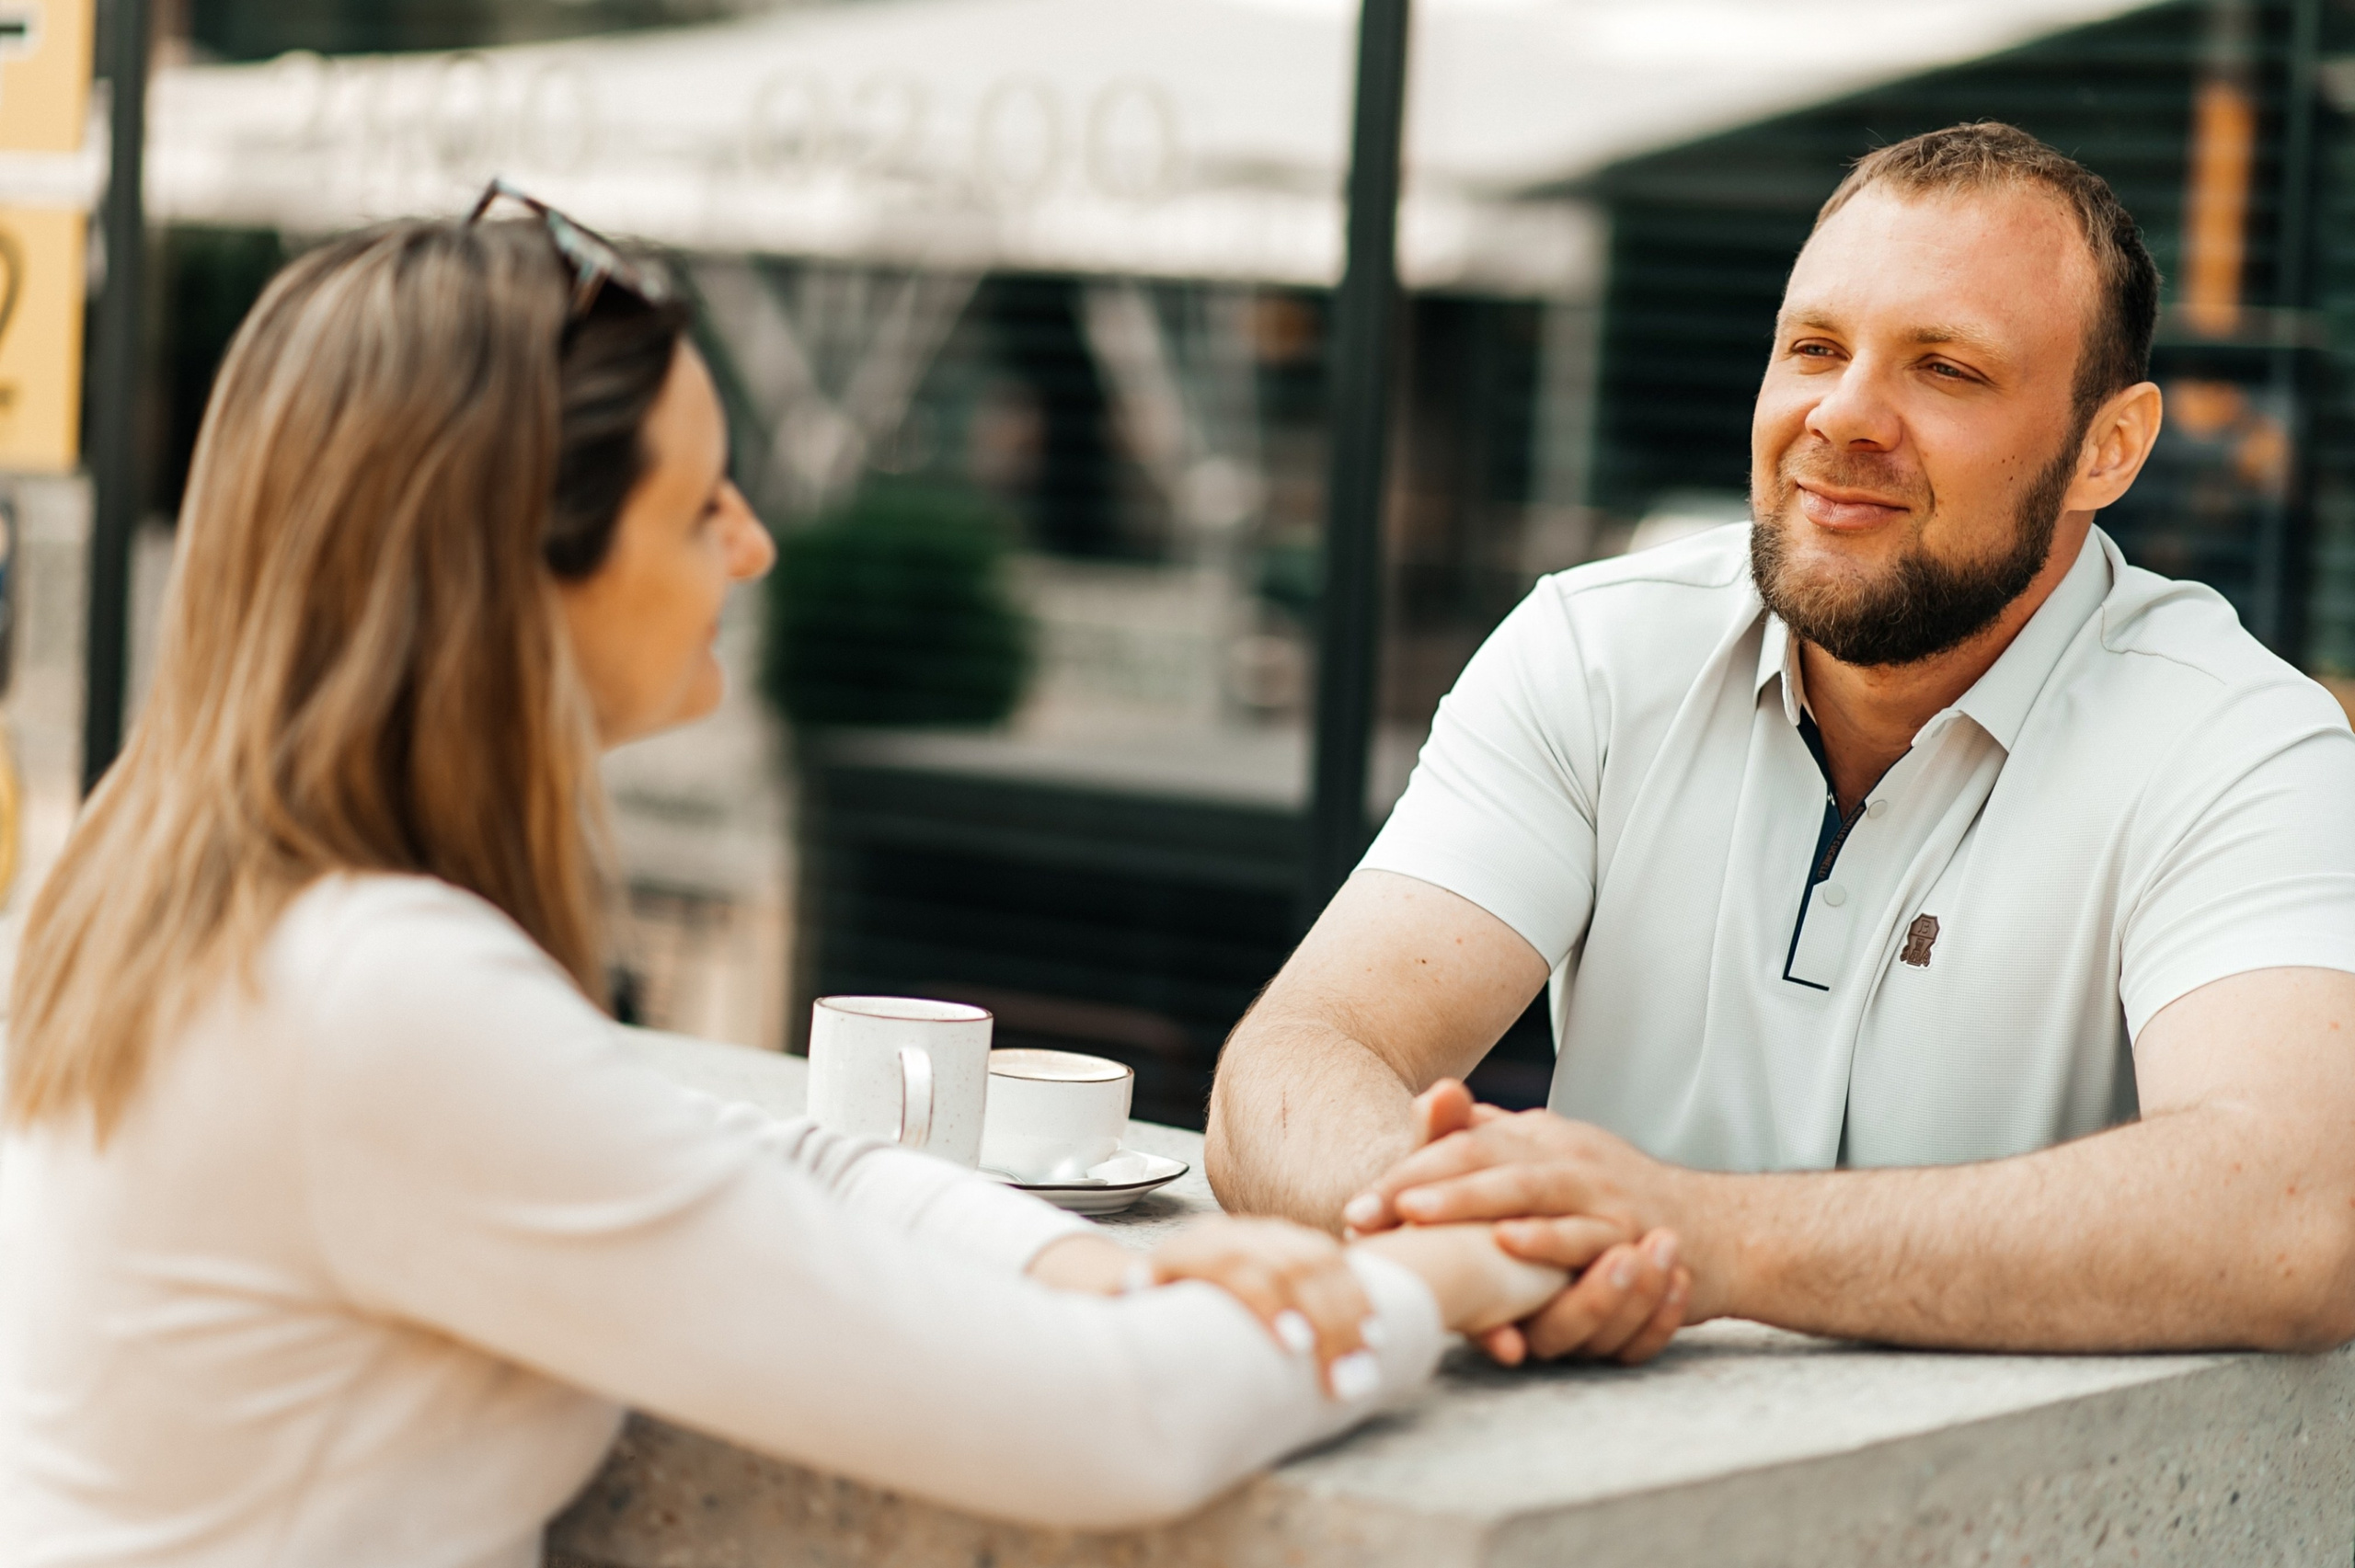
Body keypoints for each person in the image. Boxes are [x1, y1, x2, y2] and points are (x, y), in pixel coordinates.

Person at [0, 198, 1569, 1566]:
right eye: (697, 505)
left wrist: (1074, 1255)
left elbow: (753, 1157)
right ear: (508, 572)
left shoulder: (185, 901)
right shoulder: (376, 993)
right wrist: (1440, 1270)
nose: (751, 551)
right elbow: (1109, 1427)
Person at [1206, 121, 2355, 1366]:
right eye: (1814, 347)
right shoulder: (1596, 652)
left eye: (1946, 368)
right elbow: (1294, 1060)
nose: (1844, 415)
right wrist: (1487, 1240)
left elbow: (2302, 1214)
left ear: (2107, 448)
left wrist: (1708, 1239)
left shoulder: (2241, 740)